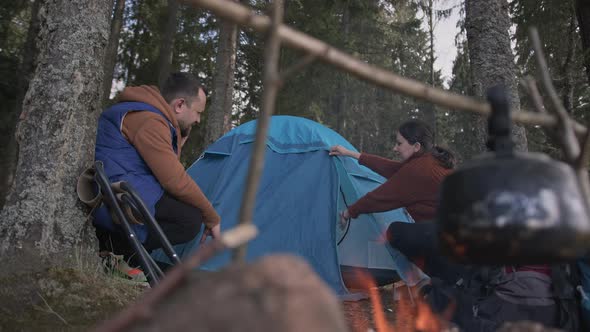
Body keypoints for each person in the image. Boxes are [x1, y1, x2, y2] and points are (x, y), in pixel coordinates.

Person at [92, 72, 221, 271]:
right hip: (115, 192)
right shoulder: (150, 121)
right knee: (189, 219)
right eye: (198, 112)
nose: (198, 120)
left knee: (181, 208)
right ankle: (119, 251)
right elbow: (174, 179)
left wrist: (179, 136)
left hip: (121, 185)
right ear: (179, 105)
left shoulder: (149, 115)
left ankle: (126, 255)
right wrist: (211, 217)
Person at [329, 119, 455, 292]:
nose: (395, 148)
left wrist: (349, 212)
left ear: (416, 146)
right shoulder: (428, 162)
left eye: (399, 143)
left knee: (395, 233)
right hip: (455, 234)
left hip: (450, 239)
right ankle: (444, 278)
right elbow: (392, 168)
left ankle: (442, 279)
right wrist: (351, 154)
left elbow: (380, 198)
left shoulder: (418, 170)